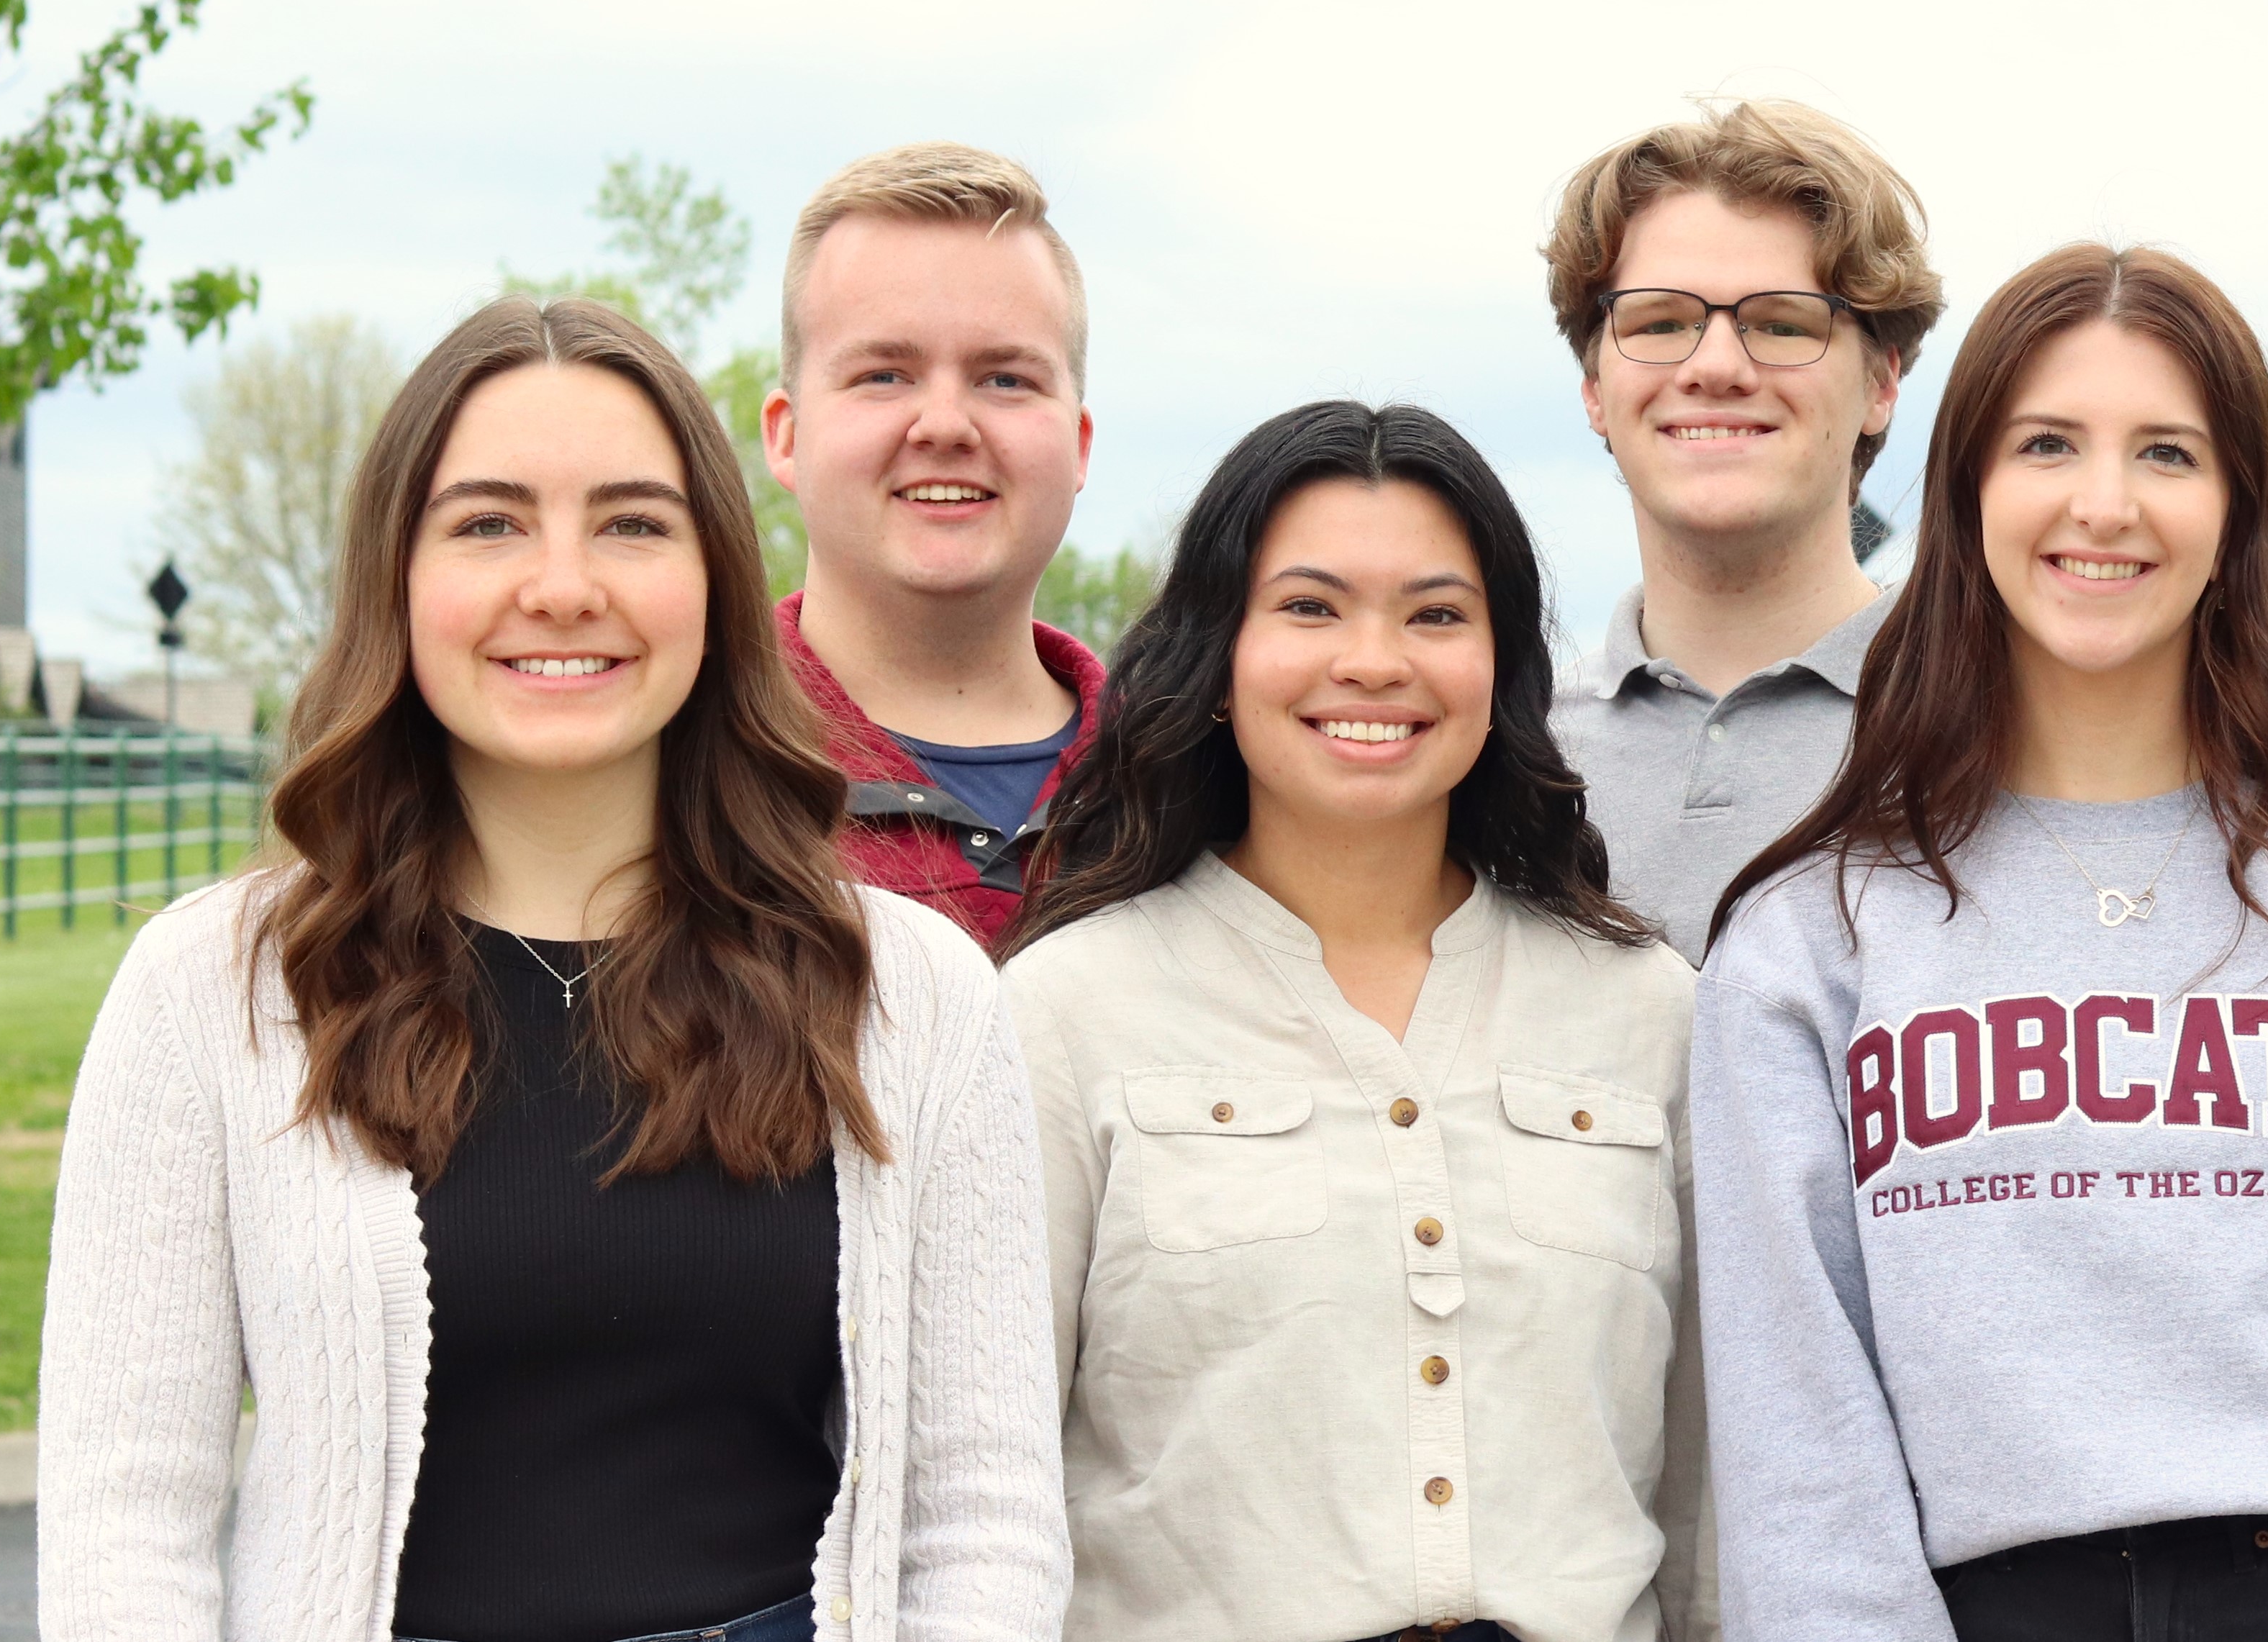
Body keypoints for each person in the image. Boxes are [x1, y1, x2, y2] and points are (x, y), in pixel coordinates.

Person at [39, 298, 1066, 1641]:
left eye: (633, 520)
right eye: (488, 520)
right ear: (396, 575)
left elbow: (980, 1507)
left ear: (714, 575)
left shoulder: (909, 991)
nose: (563, 582)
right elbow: (126, 1520)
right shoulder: (213, 990)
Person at [1692, 244, 2268, 1640]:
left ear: (2237, 508)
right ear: (1967, 491)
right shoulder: (1813, 931)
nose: (2102, 504)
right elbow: (1796, 1447)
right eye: (2047, 443)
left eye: (2166, 452)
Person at [1003, 401, 1709, 1642]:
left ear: (1502, 666)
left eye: (1436, 613)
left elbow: (1706, 1487)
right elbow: (983, 1489)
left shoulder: (1648, 1009)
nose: (1374, 660)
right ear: (1217, 653)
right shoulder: (1065, 1008)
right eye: (1310, 606)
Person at [1541, 99, 1943, 960]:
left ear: (1882, 384)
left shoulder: (1996, 725)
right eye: (1659, 323)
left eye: (1780, 324)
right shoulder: (1500, 756)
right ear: (1593, 388)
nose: (1716, 366)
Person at [765, 141, 1104, 945]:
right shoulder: (672, 780)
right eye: (884, 375)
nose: (946, 425)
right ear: (785, 435)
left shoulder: (1199, 798)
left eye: (1005, 379)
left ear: (1081, 444)